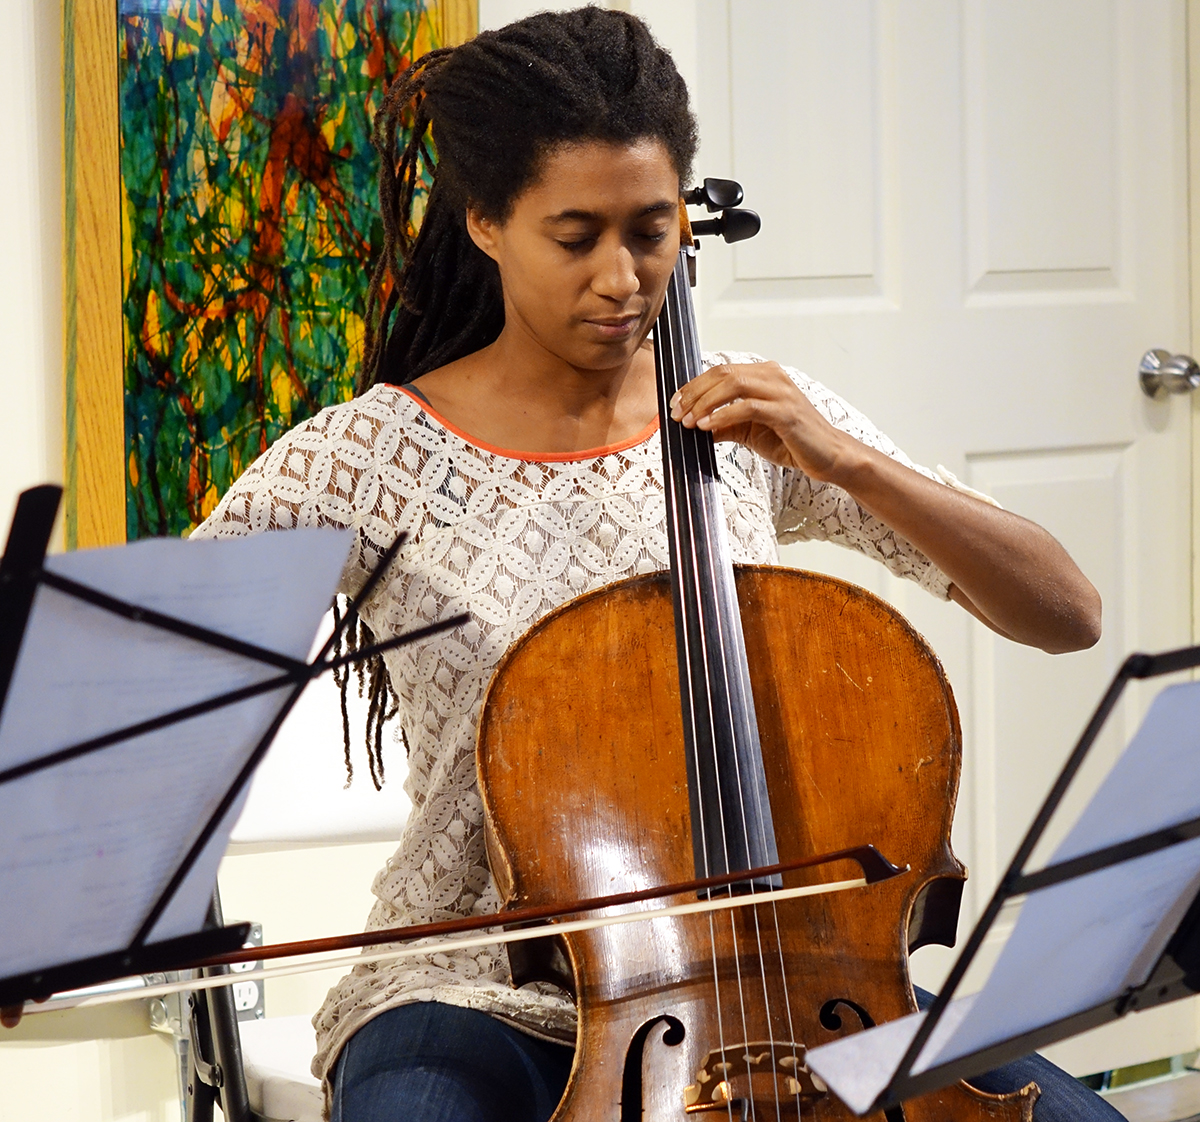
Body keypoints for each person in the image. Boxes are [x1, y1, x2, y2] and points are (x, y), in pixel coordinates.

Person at [191, 8, 1108, 1121]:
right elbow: (154, 685)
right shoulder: (367, 457)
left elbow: (1066, 613)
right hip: (471, 989)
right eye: (576, 238)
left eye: (652, 230)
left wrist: (848, 459)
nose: (625, 279)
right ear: (486, 221)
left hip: (794, 976)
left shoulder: (748, 416)